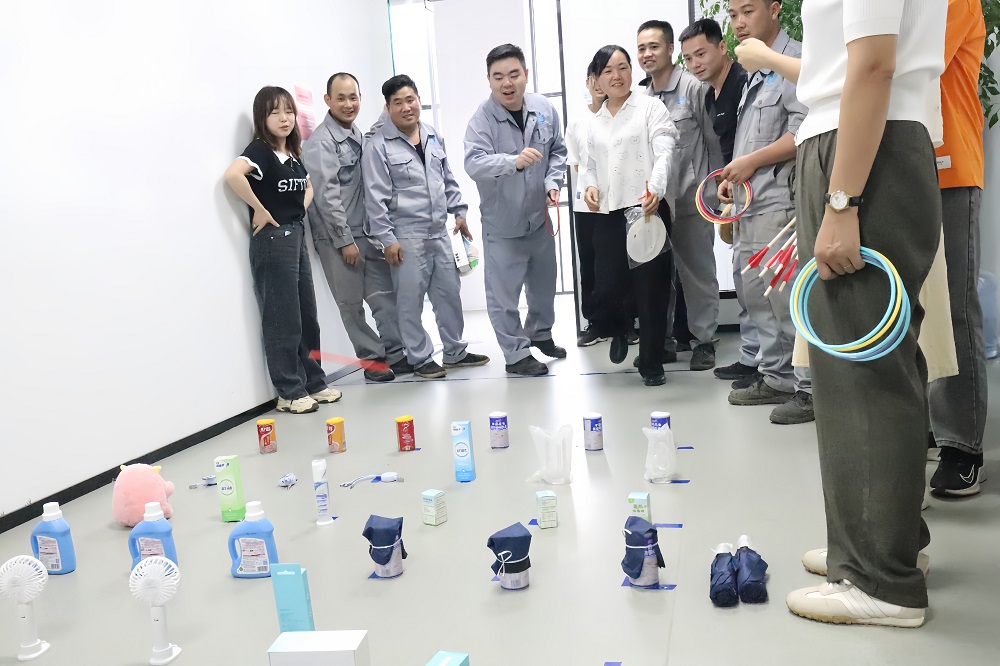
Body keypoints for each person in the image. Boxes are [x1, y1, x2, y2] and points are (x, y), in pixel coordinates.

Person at [782, 0, 947, 627]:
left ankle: (880, 578)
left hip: (863, 150)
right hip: (865, 139)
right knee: (873, 363)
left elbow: (874, 64)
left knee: (862, 371)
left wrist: (842, 200)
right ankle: (882, 543)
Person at [719, 0, 813, 425]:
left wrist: (750, 162)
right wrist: (734, 176)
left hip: (780, 204)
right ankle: (777, 378)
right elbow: (753, 140)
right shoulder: (755, 70)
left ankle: (809, 389)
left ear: (775, 9)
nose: (739, 23)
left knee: (787, 299)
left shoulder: (794, 61)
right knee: (756, 296)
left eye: (748, 11)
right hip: (749, 204)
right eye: (732, 14)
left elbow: (802, 132)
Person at [223, 86, 344, 414]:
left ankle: (314, 382)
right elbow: (233, 175)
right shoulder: (260, 150)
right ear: (261, 117)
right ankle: (289, 391)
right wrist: (260, 208)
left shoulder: (291, 154)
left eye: (289, 111)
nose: (284, 118)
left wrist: (299, 208)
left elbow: (309, 186)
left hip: (296, 236)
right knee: (282, 318)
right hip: (273, 242)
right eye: (275, 112)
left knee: (307, 316)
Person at [363, 75, 490, 379]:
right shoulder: (378, 146)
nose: (406, 107)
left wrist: (459, 212)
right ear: (388, 107)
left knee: (449, 294)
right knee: (410, 302)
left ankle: (455, 351)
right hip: (405, 235)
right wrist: (387, 239)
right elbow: (375, 198)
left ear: (419, 100)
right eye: (398, 103)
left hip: (439, 231)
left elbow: (447, 178)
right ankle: (420, 358)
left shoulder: (432, 134)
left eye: (411, 100)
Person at [464, 44, 569, 376]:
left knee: (544, 286)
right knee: (503, 296)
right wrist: (513, 162)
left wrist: (553, 182)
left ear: (525, 74)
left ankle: (540, 333)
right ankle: (516, 355)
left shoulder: (543, 108)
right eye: (498, 77)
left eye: (513, 74)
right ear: (489, 80)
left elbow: (558, 151)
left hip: (539, 218)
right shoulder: (481, 120)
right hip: (503, 225)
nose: (506, 83)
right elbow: (474, 163)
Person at [580, 45, 678, 387]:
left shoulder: (650, 107)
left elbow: (665, 152)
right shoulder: (595, 122)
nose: (617, 75)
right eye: (608, 70)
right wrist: (590, 187)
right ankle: (620, 328)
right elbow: (589, 166)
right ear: (597, 80)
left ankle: (651, 362)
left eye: (622, 67)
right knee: (607, 284)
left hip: (646, 209)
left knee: (651, 290)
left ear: (631, 72)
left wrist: (657, 190)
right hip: (609, 213)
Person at [301, 72, 407, 383]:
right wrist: (345, 241)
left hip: (367, 232)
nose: (348, 104)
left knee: (383, 297)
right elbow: (326, 197)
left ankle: (396, 353)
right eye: (341, 98)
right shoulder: (321, 142)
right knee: (351, 305)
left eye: (353, 97)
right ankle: (373, 360)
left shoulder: (358, 135)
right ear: (327, 100)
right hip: (339, 238)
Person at [679, 18, 760, 389]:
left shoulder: (744, 82)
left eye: (701, 53)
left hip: (762, 190)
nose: (695, 63)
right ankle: (753, 358)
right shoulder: (709, 94)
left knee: (758, 282)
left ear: (722, 47)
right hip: (737, 191)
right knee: (744, 277)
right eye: (689, 58)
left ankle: (772, 368)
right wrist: (725, 183)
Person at [637, 20, 721, 371]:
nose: (647, 54)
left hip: (690, 199)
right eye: (641, 48)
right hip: (656, 206)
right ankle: (665, 341)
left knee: (698, 273)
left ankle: (704, 341)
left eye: (654, 46)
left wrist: (716, 191)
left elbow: (714, 141)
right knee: (659, 277)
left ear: (671, 49)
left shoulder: (694, 87)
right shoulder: (642, 99)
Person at [927, 0, 987, 497]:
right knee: (914, 308)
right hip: (904, 167)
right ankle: (932, 421)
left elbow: (914, 62)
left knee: (954, 308)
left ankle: (962, 446)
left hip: (950, 168)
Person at [566, 70, 609, 348]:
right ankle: (595, 322)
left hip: (619, 202)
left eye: (604, 75)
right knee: (590, 264)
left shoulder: (623, 116)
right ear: (587, 83)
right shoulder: (577, 121)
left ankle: (625, 322)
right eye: (594, 77)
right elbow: (576, 165)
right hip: (586, 205)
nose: (598, 83)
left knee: (621, 263)